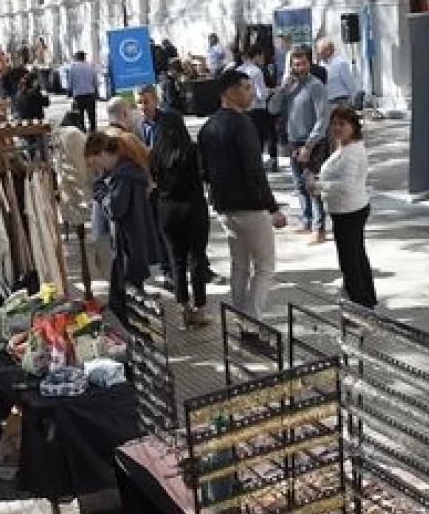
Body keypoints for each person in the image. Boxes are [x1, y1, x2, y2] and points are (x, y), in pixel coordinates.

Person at [198, 70, 287, 333]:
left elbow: (204, 171)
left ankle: (241, 319)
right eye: (246, 88)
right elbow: (254, 169)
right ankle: (250, 323)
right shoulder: (242, 124)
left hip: (224, 205)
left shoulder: (208, 127)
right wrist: (272, 207)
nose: (252, 93)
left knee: (240, 265)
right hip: (250, 206)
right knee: (264, 267)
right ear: (229, 92)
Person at [147, 95, 211, 329]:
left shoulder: (156, 154)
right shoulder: (192, 151)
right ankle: (200, 308)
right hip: (193, 207)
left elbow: (154, 180)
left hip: (167, 209)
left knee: (176, 259)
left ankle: (183, 307)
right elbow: (205, 175)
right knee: (197, 257)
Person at [86, 131, 160, 325]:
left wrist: (100, 192)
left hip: (128, 247)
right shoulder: (124, 172)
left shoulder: (124, 176)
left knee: (128, 304)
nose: (98, 167)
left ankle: (136, 335)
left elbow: (115, 208)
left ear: (103, 153)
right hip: (130, 245)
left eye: (96, 161)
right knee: (127, 301)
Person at [310, 106, 376, 308]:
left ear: (353, 127)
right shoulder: (345, 147)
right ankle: (365, 299)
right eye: (334, 124)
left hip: (349, 211)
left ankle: (358, 303)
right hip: (346, 210)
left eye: (342, 124)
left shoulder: (352, 152)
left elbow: (347, 186)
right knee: (356, 256)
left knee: (350, 261)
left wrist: (320, 185)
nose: (337, 128)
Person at [268, 49, 331, 244]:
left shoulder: (316, 86)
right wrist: (282, 89)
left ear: (309, 64)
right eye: (296, 65)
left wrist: (309, 145)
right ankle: (307, 219)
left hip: (312, 142)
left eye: (303, 63)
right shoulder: (290, 87)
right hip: (294, 141)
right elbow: (272, 109)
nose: (300, 68)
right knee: (299, 184)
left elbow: (323, 118)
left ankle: (319, 228)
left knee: (312, 184)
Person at [238, 44, 276, 171]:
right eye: (261, 56)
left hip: (243, 109)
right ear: (257, 56)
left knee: (247, 139)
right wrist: (271, 90)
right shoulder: (256, 71)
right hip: (257, 110)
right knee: (259, 139)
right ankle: (257, 165)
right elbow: (262, 95)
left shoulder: (239, 70)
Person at [316, 39, 356, 107]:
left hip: (340, 101)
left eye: (319, 50)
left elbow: (350, 84)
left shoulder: (340, 63)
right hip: (326, 102)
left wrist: (353, 101)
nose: (318, 52)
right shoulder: (321, 64)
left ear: (328, 51)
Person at [68, 51, 99, 133]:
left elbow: (70, 82)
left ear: (76, 58)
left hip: (78, 95)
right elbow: (95, 81)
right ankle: (93, 130)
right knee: (92, 114)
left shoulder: (73, 68)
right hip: (90, 94)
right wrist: (96, 91)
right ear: (84, 57)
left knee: (80, 115)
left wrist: (69, 92)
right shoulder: (90, 67)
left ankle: (82, 131)